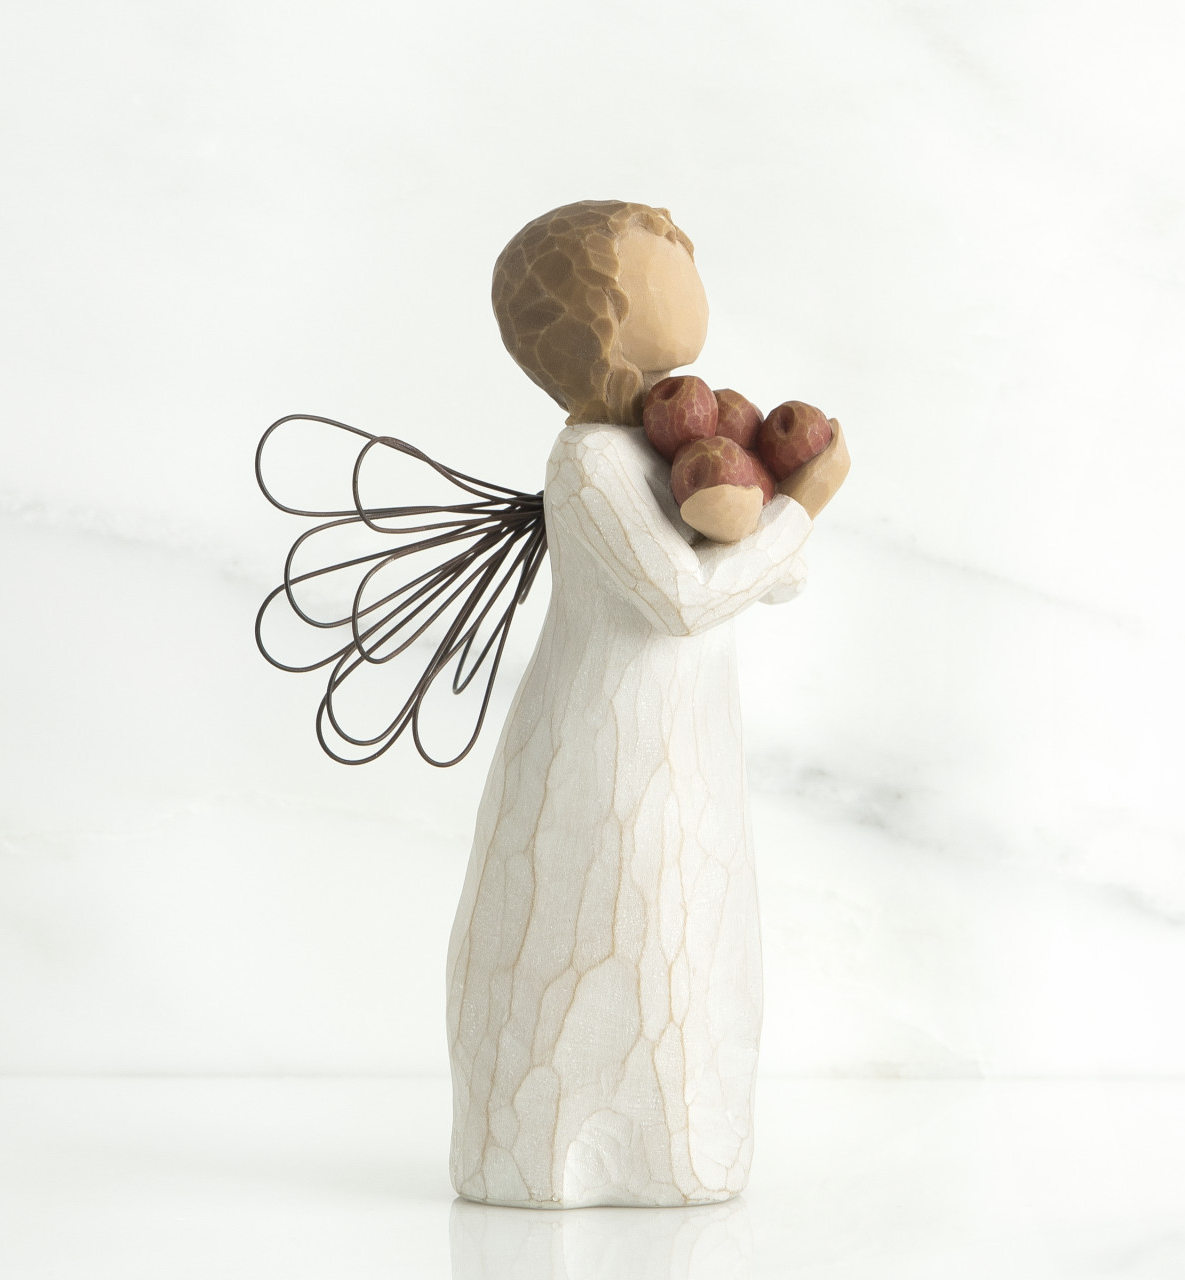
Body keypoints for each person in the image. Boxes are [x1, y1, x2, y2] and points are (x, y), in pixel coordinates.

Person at [445, 201, 820, 1207]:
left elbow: (754, 572)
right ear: (601, 322)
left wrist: (759, 520)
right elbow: (684, 600)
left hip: (682, 757)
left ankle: (677, 1148)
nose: (688, 264)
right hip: (606, 771)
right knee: (604, 939)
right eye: (662, 257)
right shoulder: (593, 464)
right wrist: (798, 509)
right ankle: (545, 1152)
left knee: (688, 945)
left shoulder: (661, 443)